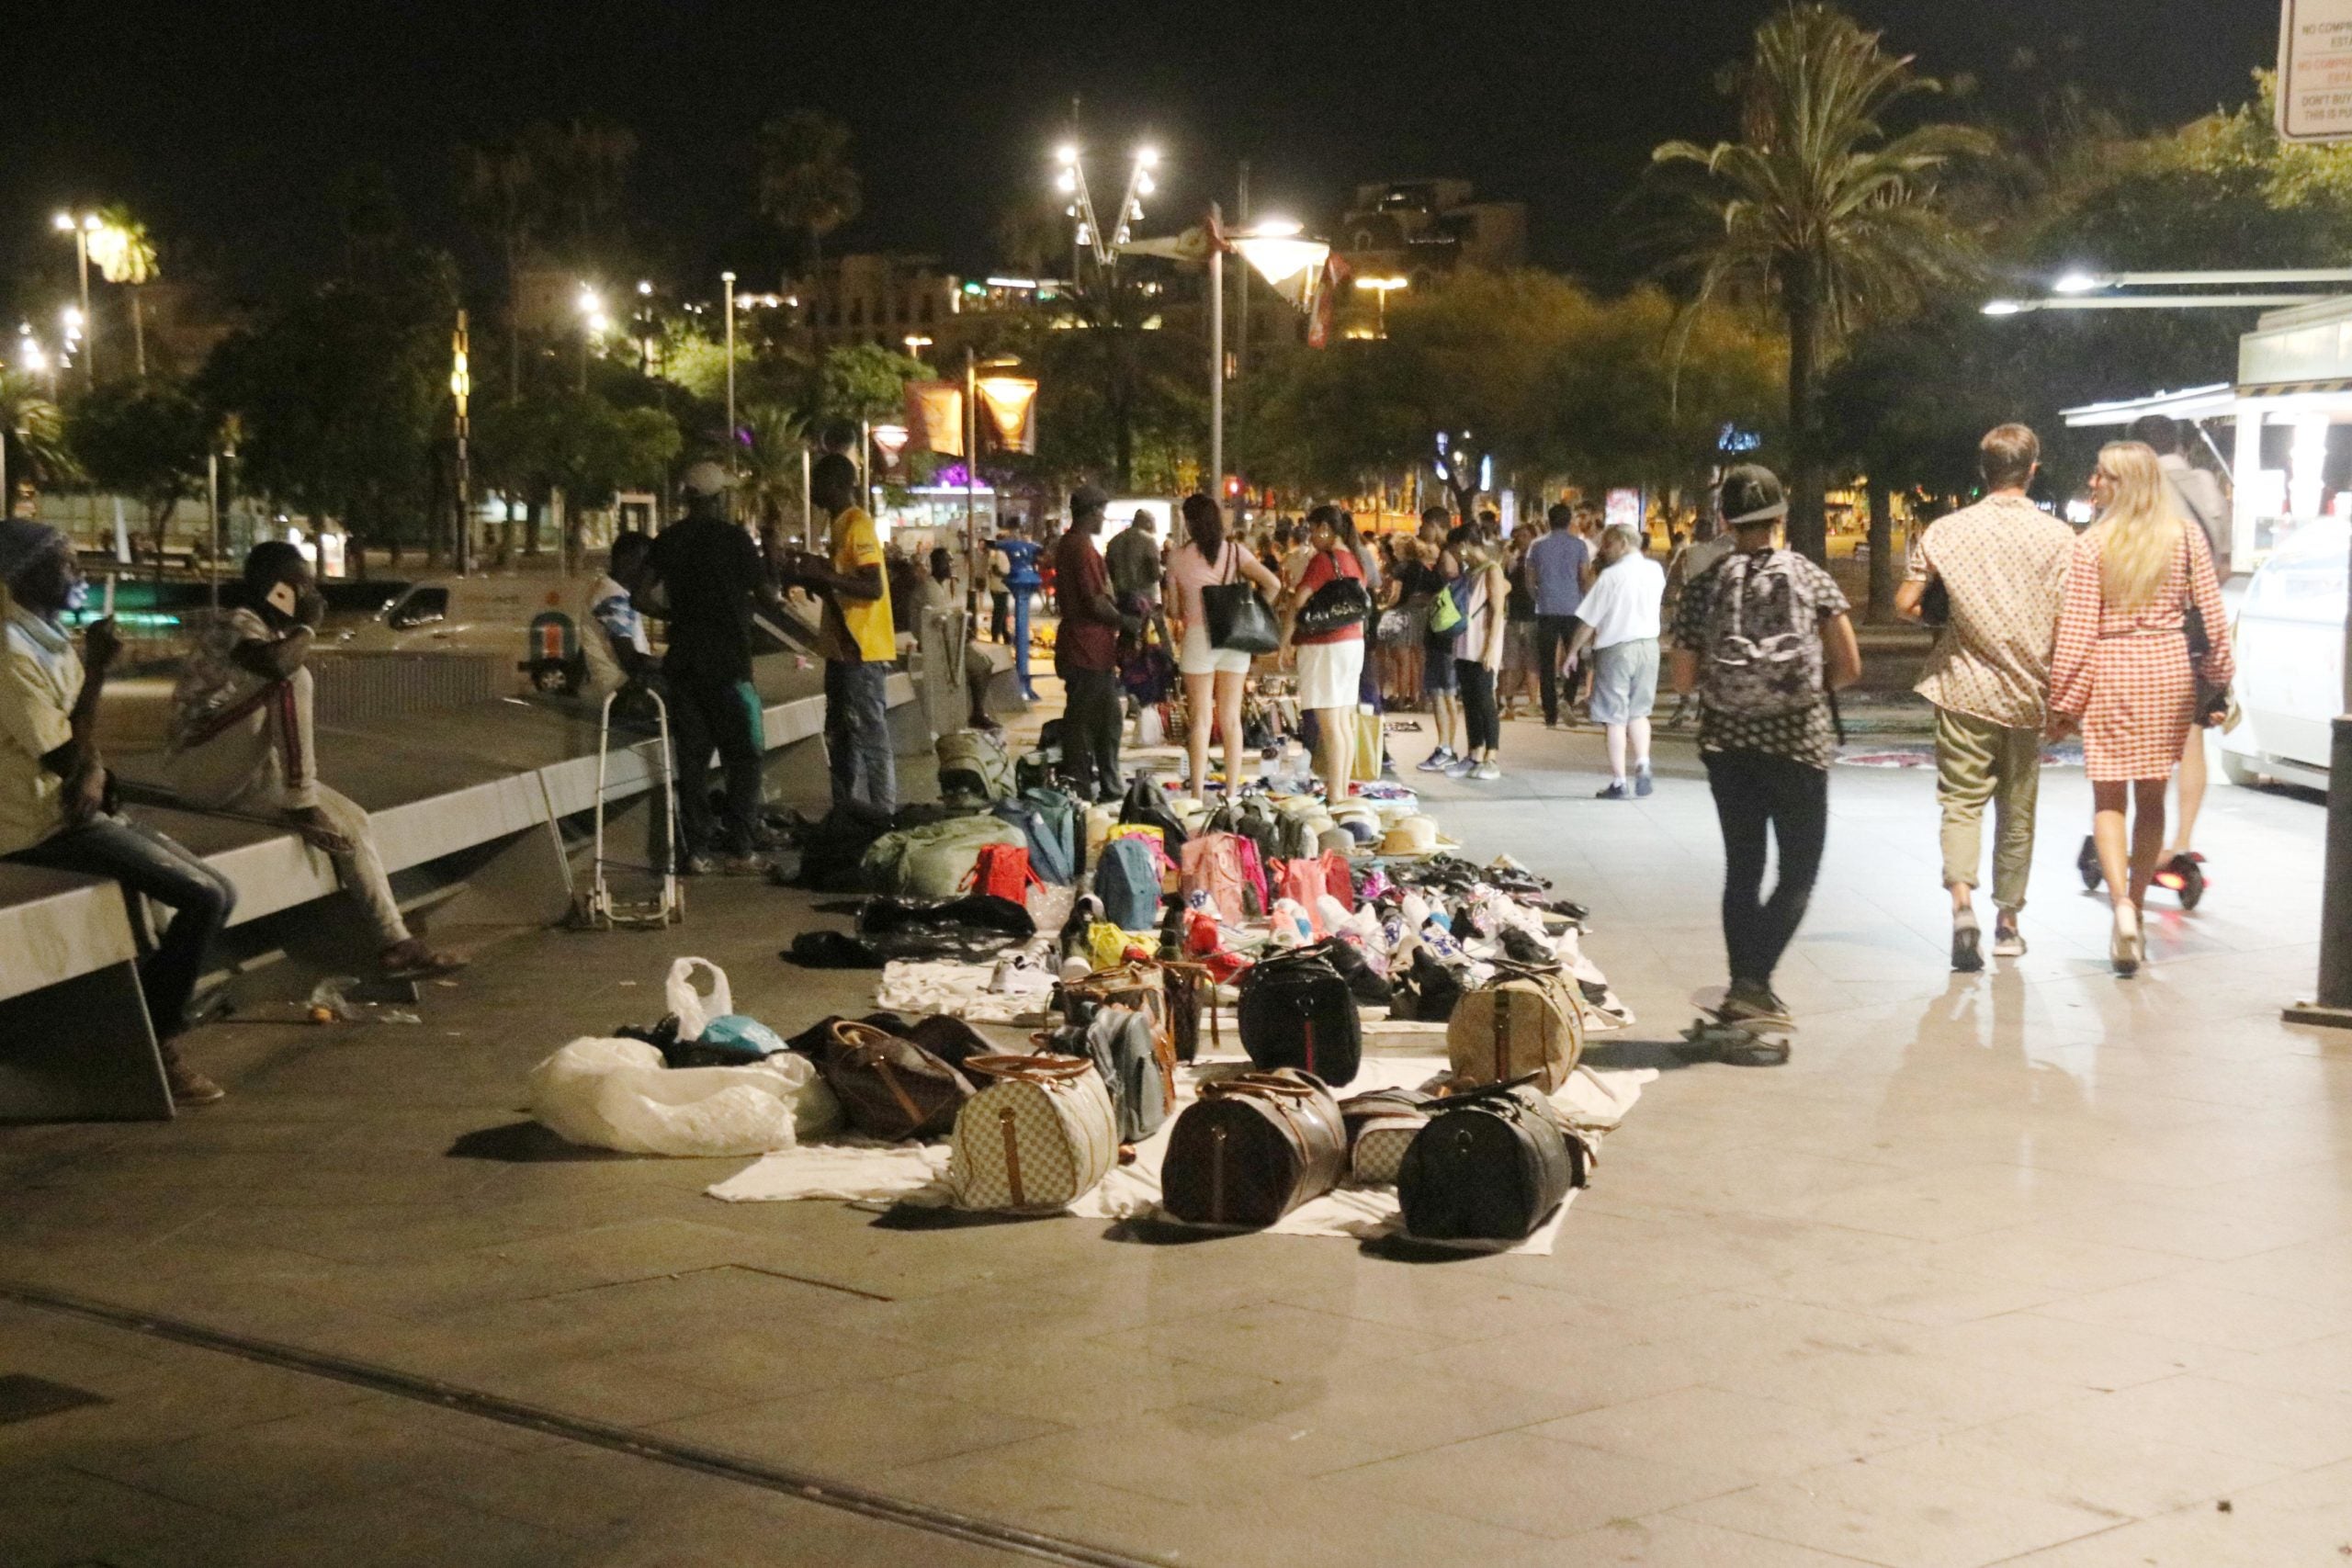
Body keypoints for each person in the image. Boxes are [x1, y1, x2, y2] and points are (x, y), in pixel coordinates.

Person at [0, 521, 234, 1104]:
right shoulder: (9, 653)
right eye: (66, 566)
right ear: (23, 575)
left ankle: (151, 1028)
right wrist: (100, 670)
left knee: (215, 891)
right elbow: (62, 752)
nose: (79, 575)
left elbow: (82, 745)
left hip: (73, 810)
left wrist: (98, 772)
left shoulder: (47, 638)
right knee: (203, 898)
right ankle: (155, 1042)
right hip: (35, 826)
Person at [168, 540, 467, 981]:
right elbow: (276, 667)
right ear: (276, 590)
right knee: (294, 678)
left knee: (355, 822)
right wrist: (308, 627)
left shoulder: (270, 630)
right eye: (301, 585)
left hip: (243, 770)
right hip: (201, 764)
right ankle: (301, 800)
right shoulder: (236, 623)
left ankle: (396, 942)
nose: (313, 595)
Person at [1670, 465, 1863, 1029]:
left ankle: (1744, 986)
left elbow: (1683, 680)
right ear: (1780, 516)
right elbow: (1850, 666)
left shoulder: (1704, 586)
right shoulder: (1810, 578)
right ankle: (1753, 983)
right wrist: (1795, 686)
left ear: (1726, 520)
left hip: (1727, 746)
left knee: (1743, 870)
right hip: (1799, 745)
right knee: (1798, 872)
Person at [2048, 441, 2232, 977]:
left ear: (2123, 483)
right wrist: (2219, 680)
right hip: (2168, 671)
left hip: (2112, 669)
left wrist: (2063, 702)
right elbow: (2213, 621)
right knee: (2152, 794)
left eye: (2102, 476)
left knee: (2108, 798)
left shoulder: (2091, 545)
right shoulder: (2185, 537)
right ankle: (2136, 903)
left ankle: (2123, 911)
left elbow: (2077, 632)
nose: (2092, 483)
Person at [1895, 423, 2075, 969]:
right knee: (2017, 811)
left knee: (1961, 802)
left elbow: (1907, 602)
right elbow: (2071, 623)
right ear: (2033, 469)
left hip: (1962, 687)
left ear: (1984, 470)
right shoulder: (2061, 538)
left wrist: (1947, 619)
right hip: (2028, 695)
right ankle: (2008, 924)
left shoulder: (1946, 532)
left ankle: (1962, 908)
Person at [641, 461, 791, 874]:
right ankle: (741, 849)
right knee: (745, 754)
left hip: (685, 663)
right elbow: (766, 594)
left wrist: (674, 616)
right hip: (730, 664)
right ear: (717, 498)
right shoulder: (735, 540)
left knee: (692, 759)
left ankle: (698, 851)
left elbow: (640, 596)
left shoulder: (668, 540)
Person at [2128, 413, 2230, 877]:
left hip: (2149, 631)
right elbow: (2222, 564)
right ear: (2180, 444)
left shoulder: (2141, 490)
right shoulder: (2207, 484)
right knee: (2191, 736)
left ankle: (2138, 836)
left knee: (2139, 741)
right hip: (2200, 626)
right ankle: (2183, 841)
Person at [788, 454, 898, 817]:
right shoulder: (838, 526)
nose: (812, 491)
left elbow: (872, 587)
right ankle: (847, 812)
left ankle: (882, 813)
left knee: (868, 738)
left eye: (817, 484)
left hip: (861, 651)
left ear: (835, 485)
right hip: (842, 650)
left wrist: (824, 575)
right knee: (841, 738)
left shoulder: (856, 525)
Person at [1167, 492, 1283, 801]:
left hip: (1197, 639)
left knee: (1201, 719)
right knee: (1232, 718)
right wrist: (1253, 611)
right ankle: (1232, 792)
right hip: (1234, 637)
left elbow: (1175, 610)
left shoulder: (1177, 557)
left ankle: (1196, 793)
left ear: (1189, 523)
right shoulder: (1235, 552)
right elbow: (1274, 584)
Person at [1563, 523, 1668, 798]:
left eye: (1608, 544)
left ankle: (1620, 781)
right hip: (1648, 646)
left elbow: (1588, 621)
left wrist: (1572, 652)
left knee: (1614, 717)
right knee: (1640, 712)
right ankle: (1643, 761)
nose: (1604, 550)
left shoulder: (1611, 577)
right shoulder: (1655, 571)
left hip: (1616, 648)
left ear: (1622, 542)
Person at [1050, 485, 1132, 800]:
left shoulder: (1071, 544)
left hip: (1087, 648)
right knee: (1086, 722)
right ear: (1093, 512)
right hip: (1087, 648)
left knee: (1104, 719)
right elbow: (1095, 602)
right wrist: (1125, 621)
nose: (1103, 519)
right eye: (1102, 512)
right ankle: (1083, 786)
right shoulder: (1081, 548)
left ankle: (1105, 785)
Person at [1286, 504, 1372, 801]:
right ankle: (1341, 789)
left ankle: (1335, 796)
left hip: (1325, 646)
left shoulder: (1324, 561)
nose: (1310, 538)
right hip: (1352, 643)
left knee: (1330, 723)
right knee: (1344, 721)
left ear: (1325, 528)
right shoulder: (1355, 559)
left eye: (1312, 530)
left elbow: (1300, 601)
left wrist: (1287, 640)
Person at [1447, 526, 1510, 781]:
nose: (1455, 556)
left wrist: (1489, 649)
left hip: (1482, 646)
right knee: (1471, 702)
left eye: (1454, 550)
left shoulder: (1491, 571)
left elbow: (1497, 611)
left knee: (1485, 701)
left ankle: (1491, 757)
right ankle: (1475, 753)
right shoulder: (1471, 572)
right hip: (1465, 645)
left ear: (1464, 545)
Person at [1408, 508, 1464, 770]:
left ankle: (1444, 748)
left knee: (1441, 693)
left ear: (1434, 525)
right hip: (1450, 632)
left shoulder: (1447, 555)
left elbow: (1447, 592)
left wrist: (1425, 598)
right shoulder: (1454, 552)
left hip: (1442, 631)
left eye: (1424, 525)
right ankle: (1448, 747)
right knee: (1447, 693)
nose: (1421, 531)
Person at [1527, 503, 1591, 728]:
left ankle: (1550, 714)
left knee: (1546, 663)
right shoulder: (1579, 546)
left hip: (1546, 609)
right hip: (1572, 608)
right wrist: (1585, 600)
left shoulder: (1537, 547)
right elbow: (1584, 577)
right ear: (1569, 521)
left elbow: (1529, 579)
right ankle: (1568, 699)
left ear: (1548, 521)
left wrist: (1538, 597)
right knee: (1573, 656)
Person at [581, 531, 656, 697]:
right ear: (626, 560)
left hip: (621, 685)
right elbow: (630, 660)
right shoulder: (613, 598)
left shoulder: (607, 589)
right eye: (646, 562)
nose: (651, 571)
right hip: (625, 689)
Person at [989, 519, 1043, 701]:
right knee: (1002, 614)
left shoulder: (1006, 547)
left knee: (1003, 614)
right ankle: (1022, 679)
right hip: (1020, 579)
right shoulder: (1029, 547)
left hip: (1017, 578)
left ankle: (1022, 679)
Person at [1498, 533, 1539, 718]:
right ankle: (1513, 703)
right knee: (1517, 663)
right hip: (1521, 615)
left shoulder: (1517, 562)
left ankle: (1519, 702)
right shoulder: (1518, 562)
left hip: (1525, 615)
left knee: (1519, 662)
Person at [985, 525, 1012, 644]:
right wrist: (1006, 577)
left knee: (1003, 612)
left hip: (1002, 586)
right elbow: (995, 570)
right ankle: (996, 635)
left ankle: (1005, 635)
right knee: (999, 613)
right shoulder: (996, 553)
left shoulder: (1003, 553)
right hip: (999, 586)